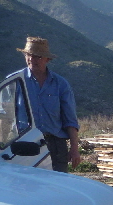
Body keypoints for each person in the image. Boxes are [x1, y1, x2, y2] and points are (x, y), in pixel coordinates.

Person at [12, 37, 81, 173]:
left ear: (47, 59)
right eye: (29, 55)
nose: (32, 59)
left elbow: (70, 121)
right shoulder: (15, 82)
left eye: (37, 56)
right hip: (25, 145)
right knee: (26, 186)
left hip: (55, 145)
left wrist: (74, 149)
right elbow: (3, 117)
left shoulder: (61, 84)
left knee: (57, 186)